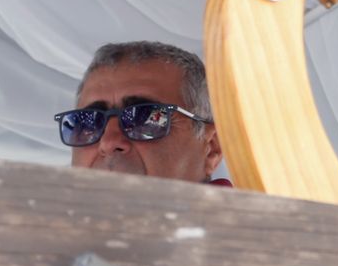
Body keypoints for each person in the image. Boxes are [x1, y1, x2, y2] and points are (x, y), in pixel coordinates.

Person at [54, 40, 226, 185]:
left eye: (146, 119)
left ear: (211, 148)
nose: (109, 142)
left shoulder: (246, 224)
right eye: (87, 124)